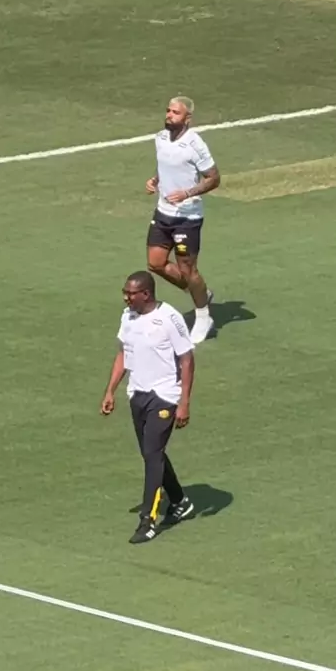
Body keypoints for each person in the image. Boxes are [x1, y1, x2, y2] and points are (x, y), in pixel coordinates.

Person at [100, 270, 195, 544]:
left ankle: (148, 520)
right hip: (137, 393)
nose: (126, 298)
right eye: (125, 293)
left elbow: (187, 359)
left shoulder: (169, 318)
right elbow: (123, 354)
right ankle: (179, 500)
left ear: (146, 294)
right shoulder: (127, 317)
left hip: (164, 395)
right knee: (150, 452)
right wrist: (110, 390)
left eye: (130, 294)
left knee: (152, 453)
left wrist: (184, 402)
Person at [146, 96, 220, 345]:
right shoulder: (160, 138)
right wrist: (155, 180)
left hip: (186, 218)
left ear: (187, 118)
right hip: (163, 212)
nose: (169, 115)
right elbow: (165, 165)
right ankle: (201, 293)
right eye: (168, 110)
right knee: (155, 263)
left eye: (175, 112)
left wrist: (187, 193)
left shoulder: (195, 145)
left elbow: (214, 178)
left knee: (188, 270)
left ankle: (203, 316)